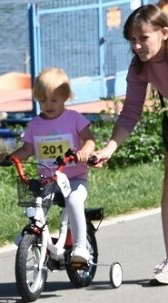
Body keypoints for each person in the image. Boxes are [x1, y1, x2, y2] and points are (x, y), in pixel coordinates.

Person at [95, 4, 168, 284]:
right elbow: (130, 112)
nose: (137, 45)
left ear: (164, 33)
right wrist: (109, 148)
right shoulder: (140, 67)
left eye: (143, 38)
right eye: (132, 40)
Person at [4, 66, 96, 266]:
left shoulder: (74, 118)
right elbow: (27, 150)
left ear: (65, 97)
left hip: (74, 179)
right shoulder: (36, 124)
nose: (48, 105)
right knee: (36, 203)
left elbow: (90, 140)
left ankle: (80, 246)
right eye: (42, 100)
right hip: (49, 179)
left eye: (53, 100)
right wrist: (9, 157)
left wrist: (85, 152)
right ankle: (33, 236)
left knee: (73, 202)